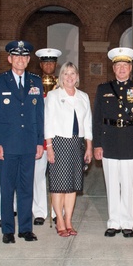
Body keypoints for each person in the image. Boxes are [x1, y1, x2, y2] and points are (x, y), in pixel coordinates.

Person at [0, 40, 45, 243]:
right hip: (7, 145)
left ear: (29, 60)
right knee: (6, 187)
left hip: (29, 144)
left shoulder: (35, 82)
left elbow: (39, 114)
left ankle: (26, 228)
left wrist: (40, 142)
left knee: (26, 187)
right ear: (10, 59)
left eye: (24, 56)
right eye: (16, 56)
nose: (20, 60)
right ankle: (8, 230)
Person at [93, 47, 133, 238]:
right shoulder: (103, 89)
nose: (122, 69)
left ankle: (127, 222)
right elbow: (97, 118)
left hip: (130, 141)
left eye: (125, 65)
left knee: (127, 185)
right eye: (118, 65)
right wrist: (97, 144)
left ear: (131, 68)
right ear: (113, 68)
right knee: (111, 184)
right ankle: (113, 222)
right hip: (109, 140)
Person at [44, 62, 93, 236]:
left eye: (73, 73)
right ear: (61, 77)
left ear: (77, 77)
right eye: (66, 73)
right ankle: (59, 220)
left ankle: (68, 220)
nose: (70, 77)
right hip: (59, 143)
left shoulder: (83, 96)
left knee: (72, 186)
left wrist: (89, 146)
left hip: (77, 144)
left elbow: (87, 123)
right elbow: (48, 122)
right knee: (58, 185)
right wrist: (49, 147)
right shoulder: (53, 95)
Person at [33, 48, 61, 225]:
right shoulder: (33, 84)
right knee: (37, 176)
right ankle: (39, 212)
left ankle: (57, 211)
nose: (49, 65)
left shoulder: (63, 83)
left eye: (52, 62)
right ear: (41, 65)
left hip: (58, 138)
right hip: (38, 138)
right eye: (45, 62)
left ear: (56, 65)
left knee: (58, 177)